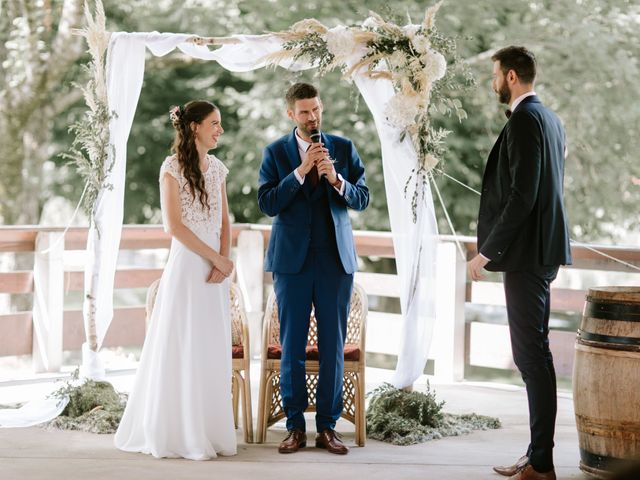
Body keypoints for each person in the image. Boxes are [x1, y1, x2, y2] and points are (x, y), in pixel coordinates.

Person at [467, 46, 572, 480]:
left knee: (531, 356)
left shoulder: (526, 120)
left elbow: (523, 195)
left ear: (510, 77)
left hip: (527, 254)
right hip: (542, 251)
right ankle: (536, 455)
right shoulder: (551, 119)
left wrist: (486, 252)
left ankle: (541, 464)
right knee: (535, 355)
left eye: (495, 74)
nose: (493, 82)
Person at [114, 100, 237, 460]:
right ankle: (178, 432)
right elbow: (174, 226)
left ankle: (210, 431)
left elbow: (225, 221)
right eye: (215, 123)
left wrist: (224, 261)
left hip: (217, 270)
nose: (220, 129)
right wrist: (213, 257)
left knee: (210, 346)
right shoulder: (172, 167)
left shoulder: (217, 169)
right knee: (183, 344)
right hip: (187, 268)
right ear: (195, 126)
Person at [258, 82, 369, 455]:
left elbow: (363, 198)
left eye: (317, 109)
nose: (313, 117)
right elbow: (268, 203)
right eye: (305, 111)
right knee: (292, 345)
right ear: (291, 113)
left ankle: (327, 427)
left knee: (332, 347)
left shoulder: (344, 148)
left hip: (335, 262)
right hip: (292, 263)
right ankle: (294, 427)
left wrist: (337, 179)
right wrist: (302, 171)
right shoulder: (275, 153)